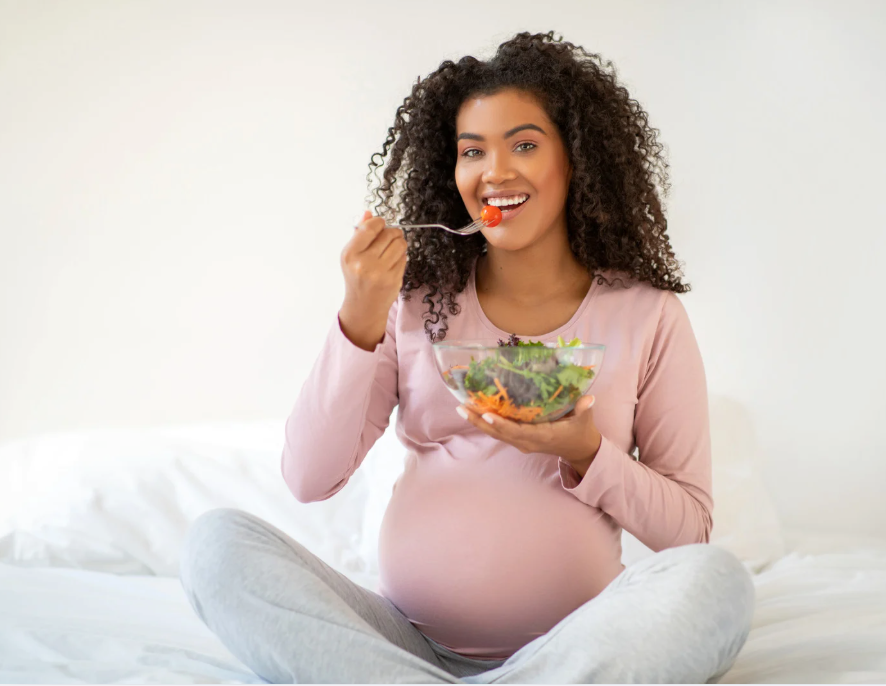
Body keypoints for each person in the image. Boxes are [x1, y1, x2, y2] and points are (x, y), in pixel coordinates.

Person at [180, 30, 755, 684]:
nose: (495, 172)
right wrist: (359, 318)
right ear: (449, 173)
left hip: (582, 642)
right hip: (400, 645)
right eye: (472, 151)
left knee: (718, 581)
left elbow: (688, 533)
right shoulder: (413, 303)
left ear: (579, 160)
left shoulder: (648, 315)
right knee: (216, 546)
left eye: (525, 145)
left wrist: (585, 452)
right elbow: (310, 477)